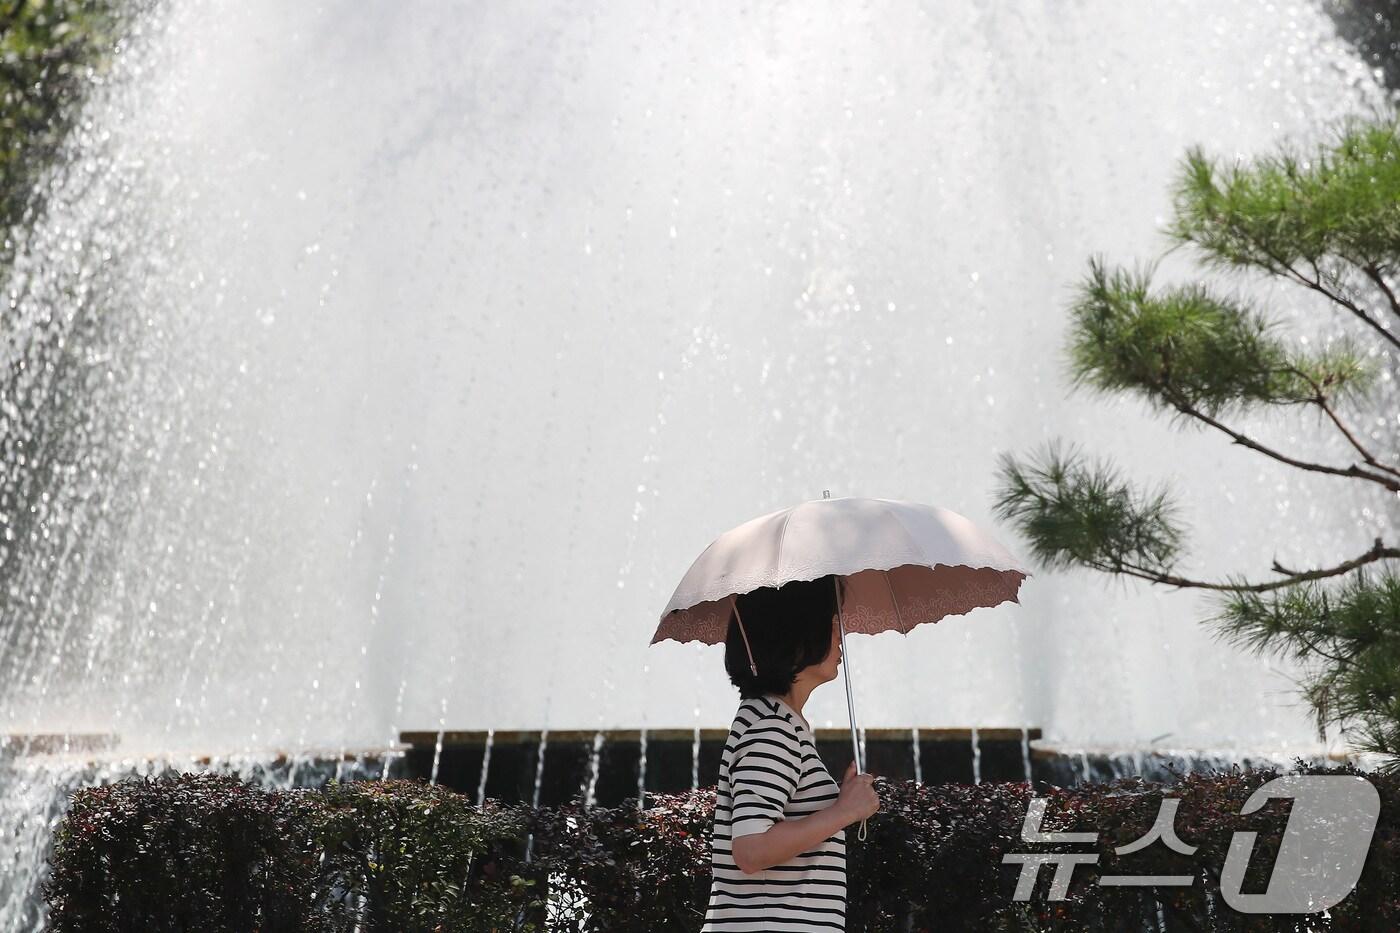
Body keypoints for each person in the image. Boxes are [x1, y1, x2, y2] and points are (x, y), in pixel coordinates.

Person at [699, 574, 881, 932]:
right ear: (797, 635)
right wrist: (843, 811)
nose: (840, 635)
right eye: (830, 623)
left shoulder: (776, 720)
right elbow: (751, 849)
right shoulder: (771, 728)